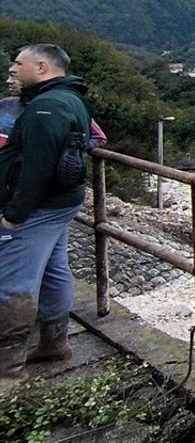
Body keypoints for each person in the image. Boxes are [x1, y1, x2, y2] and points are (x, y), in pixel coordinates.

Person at [0, 44, 92, 386]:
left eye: (18, 65)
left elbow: (37, 167)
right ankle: (54, 343)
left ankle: (7, 373)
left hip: (39, 206)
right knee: (54, 270)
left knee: (10, 284)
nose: (13, 70)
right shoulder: (70, 97)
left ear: (40, 67)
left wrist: (14, 214)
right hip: (61, 202)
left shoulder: (46, 107)